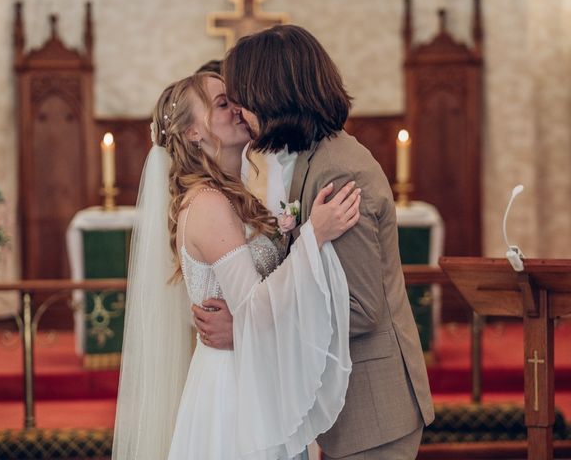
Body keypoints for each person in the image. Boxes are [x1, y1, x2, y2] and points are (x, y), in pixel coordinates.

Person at [195, 25, 435, 460]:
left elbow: (361, 310)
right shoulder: (311, 159)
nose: (241, 112)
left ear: (271, 94)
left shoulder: (338, 173)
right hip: (356, 409)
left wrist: (251, 330)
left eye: (243, 98)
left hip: (374, 413)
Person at [112, 71, 362, 460]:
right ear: (193, 132)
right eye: (222, 103)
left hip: (256, 371)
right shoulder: (209, 204)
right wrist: (315, 235)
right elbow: (254, 306)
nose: (238, 109)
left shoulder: (234, 195)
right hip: (234, 386)